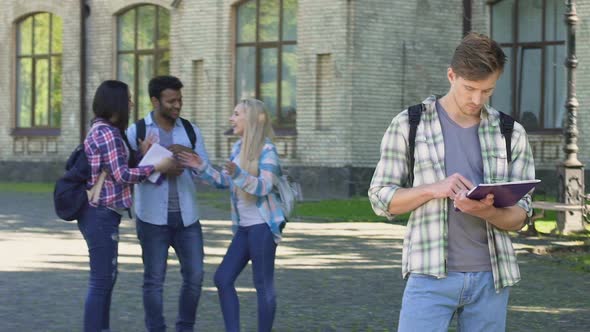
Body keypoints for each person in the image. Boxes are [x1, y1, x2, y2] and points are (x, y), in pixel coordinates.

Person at [368, 32, 536, 331]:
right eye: (469, 88)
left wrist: (488, 212)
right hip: (429, 276)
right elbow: (381, 199)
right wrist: (434, 189)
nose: (477, 99)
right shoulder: (410, 123)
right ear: (451, 75)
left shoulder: (511, 132)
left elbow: (520, 217)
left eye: (487, 90)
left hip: (492, 279)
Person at [177, 98, 285, 332]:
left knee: (262, 285)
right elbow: (224, 181)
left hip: (262, 227)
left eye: (237, 114)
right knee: (223, 278)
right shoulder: (238, 148)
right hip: (244, 228)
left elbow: (264, 187)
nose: (231, 118)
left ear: (253, 119)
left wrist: (238, 175)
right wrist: (201, 166)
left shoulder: (268, 150)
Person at [78, 80, 175, 332]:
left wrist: (142, 155)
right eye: (128, 99)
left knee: (106, 279)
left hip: (102, 213)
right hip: (100, 212)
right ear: (116, 103)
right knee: (101, 281)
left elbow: (115, 171)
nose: (131, 103)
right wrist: (155, 166)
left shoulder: (101, 130)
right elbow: (121, 175)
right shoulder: (107, 133)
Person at [126, 75, 210, 332]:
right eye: (171, 100)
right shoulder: (136, 131)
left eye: (180, 100)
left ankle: (185, 327)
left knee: (195, 278)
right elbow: (126, 173)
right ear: (155, 101)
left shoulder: (190, 130)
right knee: (154, 281)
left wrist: (191, 158)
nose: (177, 105)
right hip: (152, 219)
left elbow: (204, 172)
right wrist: (152, 162)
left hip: (188, 218)